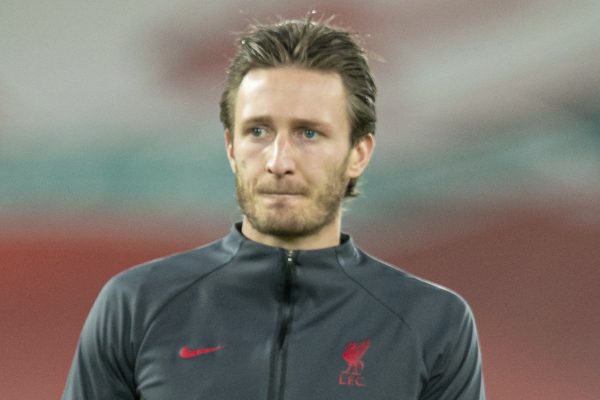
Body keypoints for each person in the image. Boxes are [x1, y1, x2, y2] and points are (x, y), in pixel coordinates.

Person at [63, 16, 485, 400]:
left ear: (359, 152)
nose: (279, 161)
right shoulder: (137, 305)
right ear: (231, 146)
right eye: (258, 130)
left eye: (309, 133)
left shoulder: (433, 322)